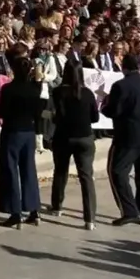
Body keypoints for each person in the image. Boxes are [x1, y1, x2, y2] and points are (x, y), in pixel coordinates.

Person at [101, 54, 140, 226]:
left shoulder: (120, 86)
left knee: (117, 171)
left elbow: (113, 111)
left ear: (124, 68)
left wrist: (104, 104)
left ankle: (130, 210)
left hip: (129, 137)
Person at [0, 56, 47, 229]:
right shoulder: (34, 88)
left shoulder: (9, 89)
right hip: (29, 131)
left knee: (10, 170)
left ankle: (15, 212)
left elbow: (2, 110)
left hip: (12, 131)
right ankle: (34, 210)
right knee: (29, 169)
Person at [48, 62, 99, 230]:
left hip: (63, 136)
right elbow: (95, 118)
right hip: (84, 136)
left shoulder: (58, 92)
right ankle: (90, 218)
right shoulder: (88, 93)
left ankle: (57, 206)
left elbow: (55, 115)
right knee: (86, 177)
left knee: (60, 171)